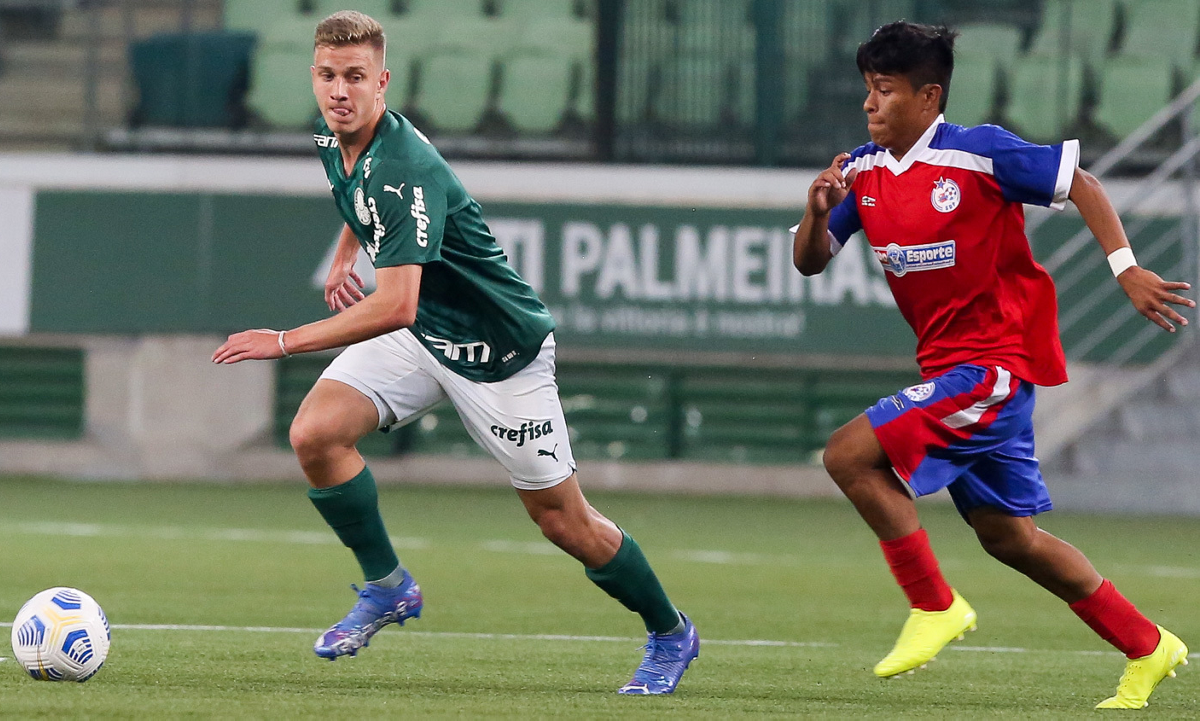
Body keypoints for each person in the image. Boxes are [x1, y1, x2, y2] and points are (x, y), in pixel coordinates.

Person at [211, 11, 698, 695]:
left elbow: (394, 305)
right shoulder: (331, 133)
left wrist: (284, 341)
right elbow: (361, 203)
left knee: (564, 521)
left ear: (383, 82)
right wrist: (349, 249)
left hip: (499, 353)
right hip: (425, 335)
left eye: (355, 77)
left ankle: (671, 631)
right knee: (316, 433)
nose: (339, 91)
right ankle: (388, 587)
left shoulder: (404, 168)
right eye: (327, 75)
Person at [793, 21, 1192, 710]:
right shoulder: (862, 170)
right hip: (950, 369)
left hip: (994, 367)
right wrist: (816, 211)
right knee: (1011, 538)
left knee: (847, 454)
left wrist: (1125, 269)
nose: (869, 104)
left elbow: (1081, 182)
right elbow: (811, 260)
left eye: (885, 90)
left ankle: (933, 603)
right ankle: (1149, 644)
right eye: (867, 90)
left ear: (928, 96)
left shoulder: (979, 153)